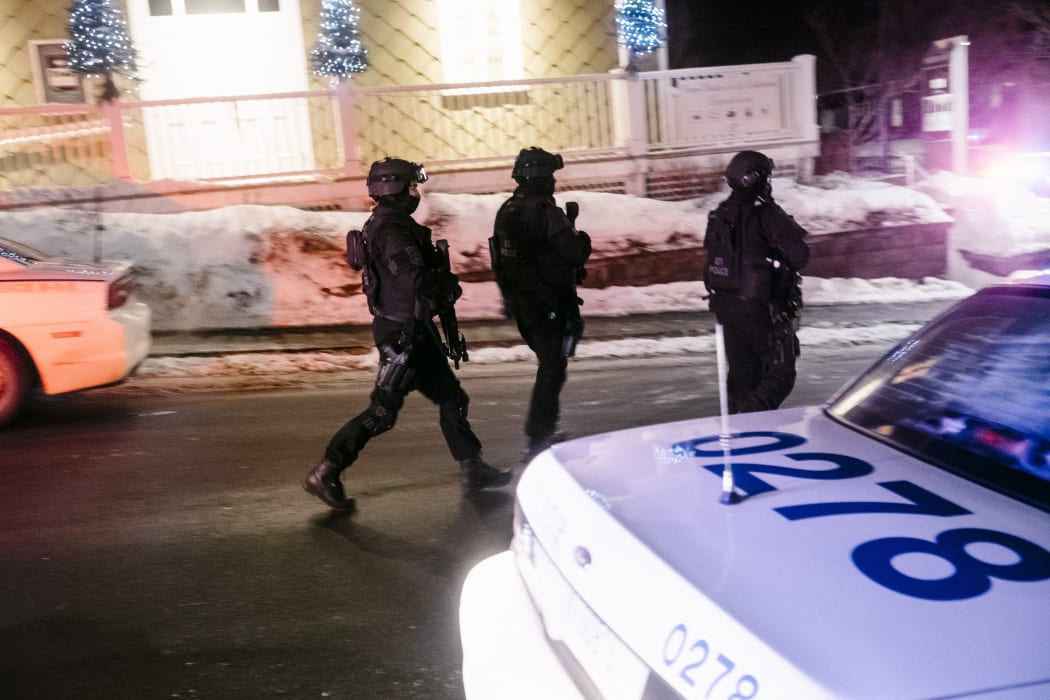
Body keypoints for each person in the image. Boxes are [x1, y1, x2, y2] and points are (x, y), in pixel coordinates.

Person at [302, 158, 511, 510]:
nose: (416, 193)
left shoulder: (391, 224)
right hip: (403, 336)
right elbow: (414, 280)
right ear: (393, 188)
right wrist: (446, 284)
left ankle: (472, 468)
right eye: (412, 186)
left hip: (413, 329)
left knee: (452, 398)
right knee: (382, 413)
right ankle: (326, 472)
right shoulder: (392, 231)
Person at [490, 147, 591, 462]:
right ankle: (537, 438)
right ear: (541, 176)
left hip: (523, 303)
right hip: (548, 303)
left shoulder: (507, 210)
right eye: (550, 175)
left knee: (552, 365)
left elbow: (499, 261)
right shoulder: (544, 210)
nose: (553, 181)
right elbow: (574, 251)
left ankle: (544, 429)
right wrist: (582, 238)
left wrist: (510, 299)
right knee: (552, 367)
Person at [703, 150, 809, 414]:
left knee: (743, 377)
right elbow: (800, 255)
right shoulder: (766, 214)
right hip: (761, 309)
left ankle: (737, 427)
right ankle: (748, 418)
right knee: (781, 373)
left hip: (726, 310)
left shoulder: (719, 215)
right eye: (767, 177)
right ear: (756, 179)